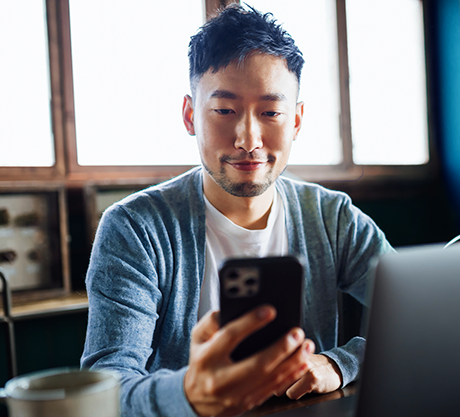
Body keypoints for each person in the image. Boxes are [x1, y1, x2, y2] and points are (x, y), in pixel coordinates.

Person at [80, 4, 394, 417]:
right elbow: (106, 387)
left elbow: (421, 324)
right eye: (225, 110)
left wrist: (341, 362)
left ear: (297, 121)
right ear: (191, 115)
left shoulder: (333, 218)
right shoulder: (135, 228)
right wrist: (190, 394)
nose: (248, 138)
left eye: (271, 113)